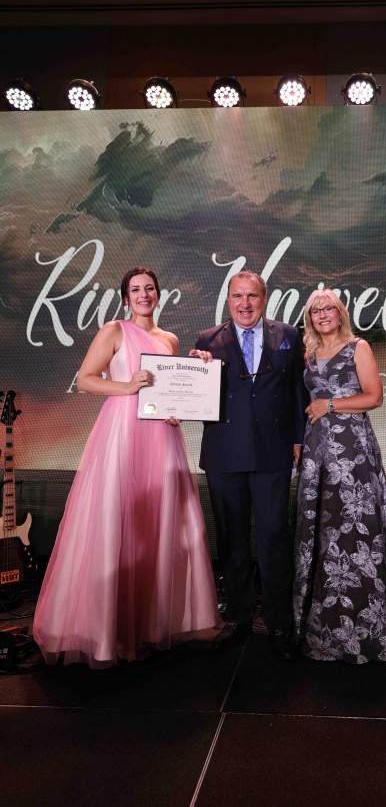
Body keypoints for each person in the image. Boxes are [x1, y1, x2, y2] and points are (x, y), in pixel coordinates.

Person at [33, 267, 223, 668]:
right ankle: (110, 632)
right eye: (136, 289)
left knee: (157, 526)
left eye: (149, 288)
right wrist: (127, 387)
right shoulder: (114, 330)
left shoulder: (169, 339)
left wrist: (194, 378)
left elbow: (170, 391)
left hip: (161, 437)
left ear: (159, 294)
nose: (143, 295)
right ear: (125, 298)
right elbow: (86, 380)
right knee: (117, 523)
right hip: (121, 434)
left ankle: (150, 626)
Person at [191, 270, 307, 660]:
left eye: (252, 296)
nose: (245, 304)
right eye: (238, 296)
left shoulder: (288, 334)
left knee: (274, 537)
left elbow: (297, 390)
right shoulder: (207, 340)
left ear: (264, 298)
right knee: (232, 539)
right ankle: (239, 616)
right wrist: (191, 377)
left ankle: (280, 620)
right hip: (224, 455)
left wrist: (298, 440)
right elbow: (196, 394)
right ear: (228, 300)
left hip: (273, 454)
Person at [293, 289, 386, 663]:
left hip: (352, 450)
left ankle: (367, 630)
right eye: (316, 310)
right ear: (310, 318)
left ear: (340, 313)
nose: (323, 314)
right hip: (316, 451)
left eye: (329, 308)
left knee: (354, 528)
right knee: (323, 532)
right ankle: (321, 626)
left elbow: (375, 397)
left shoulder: (358, 347)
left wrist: (330, 404)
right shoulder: (309, 353)